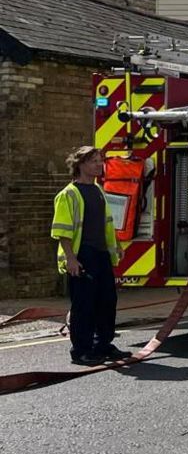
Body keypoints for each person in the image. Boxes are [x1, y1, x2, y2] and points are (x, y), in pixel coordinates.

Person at [51, 146, 125, 366]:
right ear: (80, 164)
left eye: (100, 160)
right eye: (94, 161)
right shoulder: (68, 194)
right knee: (84, 305)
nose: (99, 165)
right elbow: (62, 231)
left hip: (101, 254)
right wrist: (71, 259)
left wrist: (117, 244)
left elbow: (107, 223)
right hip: (82, 255)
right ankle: (81, 350)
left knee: (107, 301)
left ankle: (103, 345)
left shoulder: (99, 190)